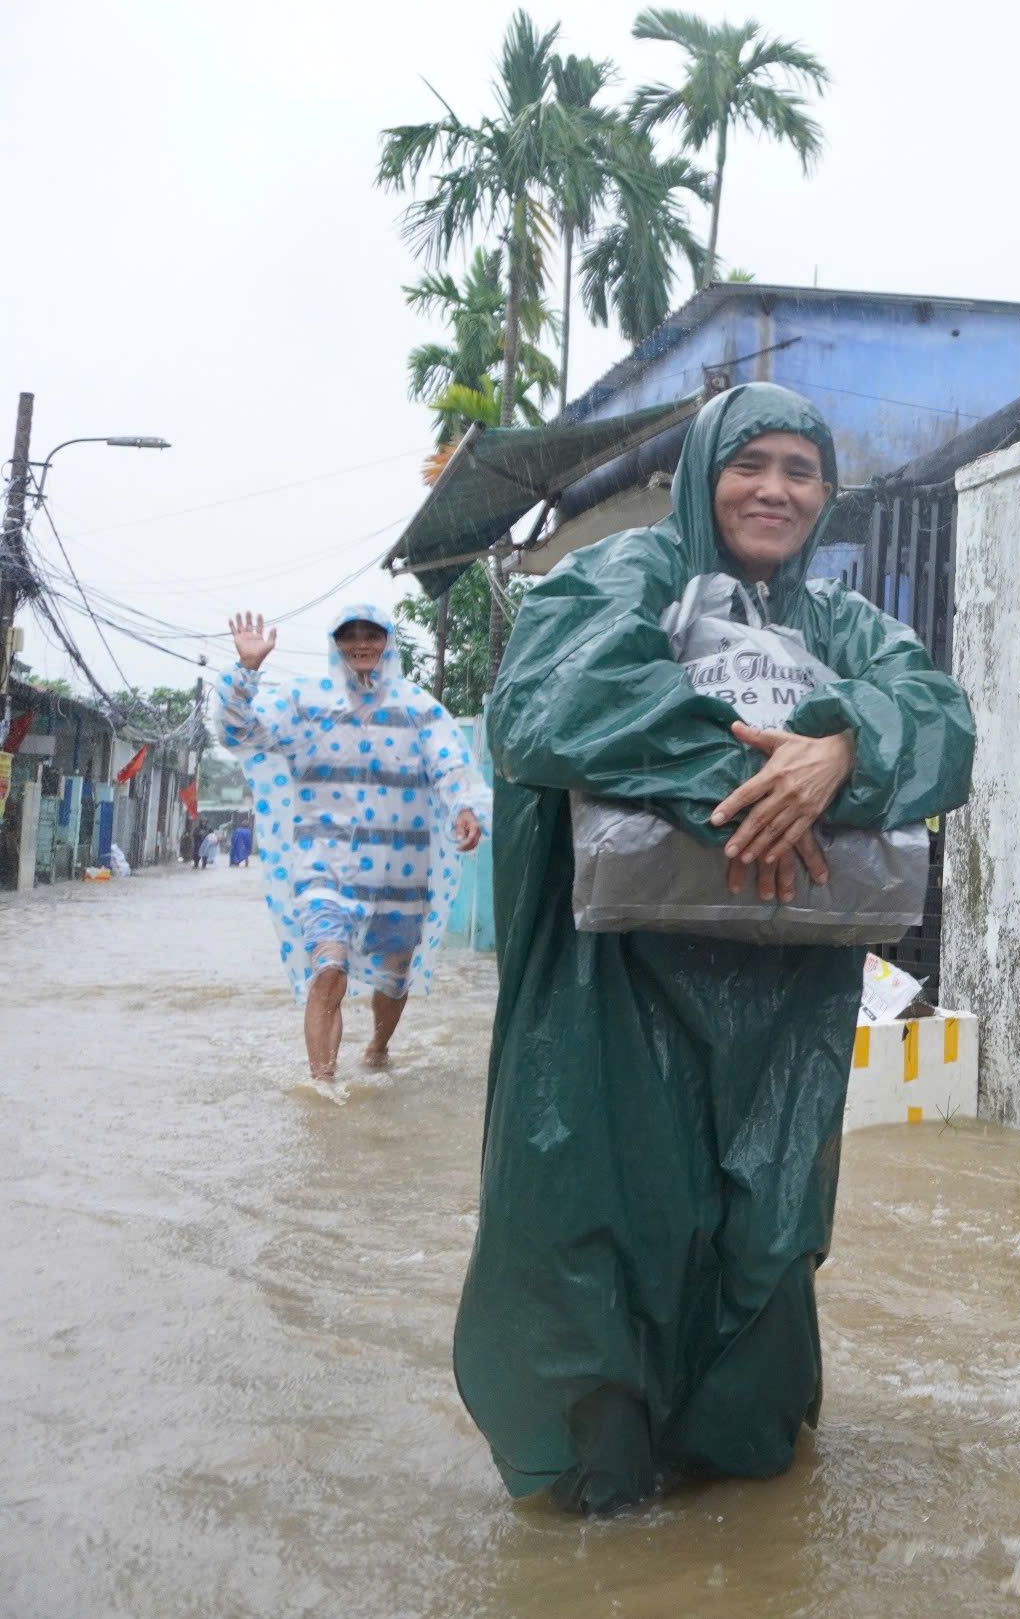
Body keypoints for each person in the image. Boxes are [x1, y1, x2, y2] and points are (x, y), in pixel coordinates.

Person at [452, 382, 974, 1514]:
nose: (776, 490)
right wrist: (753, 783)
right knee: (600, 1226)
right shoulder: (621, 577)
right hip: (608, 998)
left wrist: (841, 748)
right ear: (702, 474)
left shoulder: (841, 627)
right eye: (753, 464)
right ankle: (602, 1500)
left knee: (766, 1235)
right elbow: (555, 702)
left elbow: (940, 720)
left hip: (781, 1007)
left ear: (827, 495)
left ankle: (738, 1494)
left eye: (801, 469)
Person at [219, 603, 490, 1084]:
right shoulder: (304, 702)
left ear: (388, 642)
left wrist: (464, 809)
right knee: (328, 970)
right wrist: (247, 669)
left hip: (399, 874)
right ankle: (322, 1084)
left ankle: (378, 1047)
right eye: (350, 635)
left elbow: (451, 766)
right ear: (335, 643)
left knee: (394, 978)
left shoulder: (418, 707)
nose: (362, 643)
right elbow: (241, 732)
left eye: (373, 634)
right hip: (324, 868)